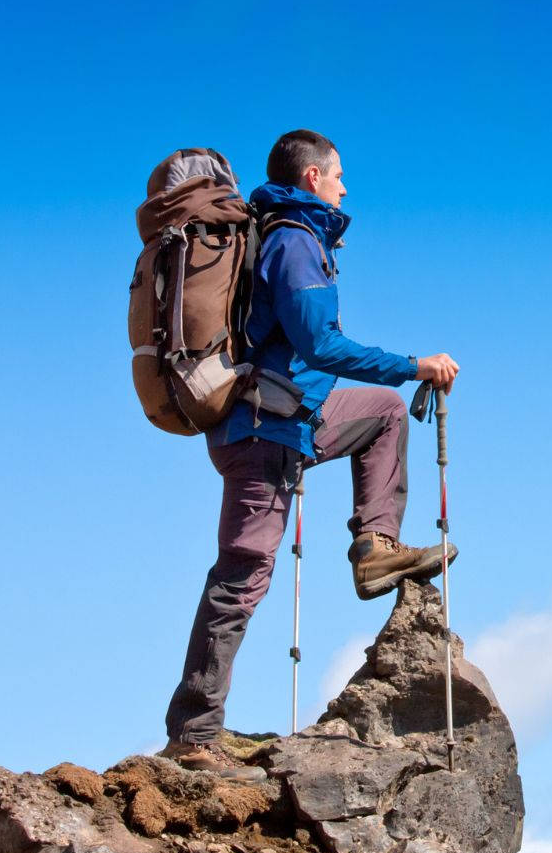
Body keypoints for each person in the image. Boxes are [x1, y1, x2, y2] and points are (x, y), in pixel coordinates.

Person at [159, 129, 460, 777]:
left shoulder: (290, 235)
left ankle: (375, 548)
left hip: (291, 420)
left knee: (379, 415)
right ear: (312, 179)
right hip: (262, 431)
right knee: (242, 575)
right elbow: (321, 343)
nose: (346, 186)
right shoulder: (296, 241)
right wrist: (413, 366)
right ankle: (193, 731)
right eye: (339, 175)